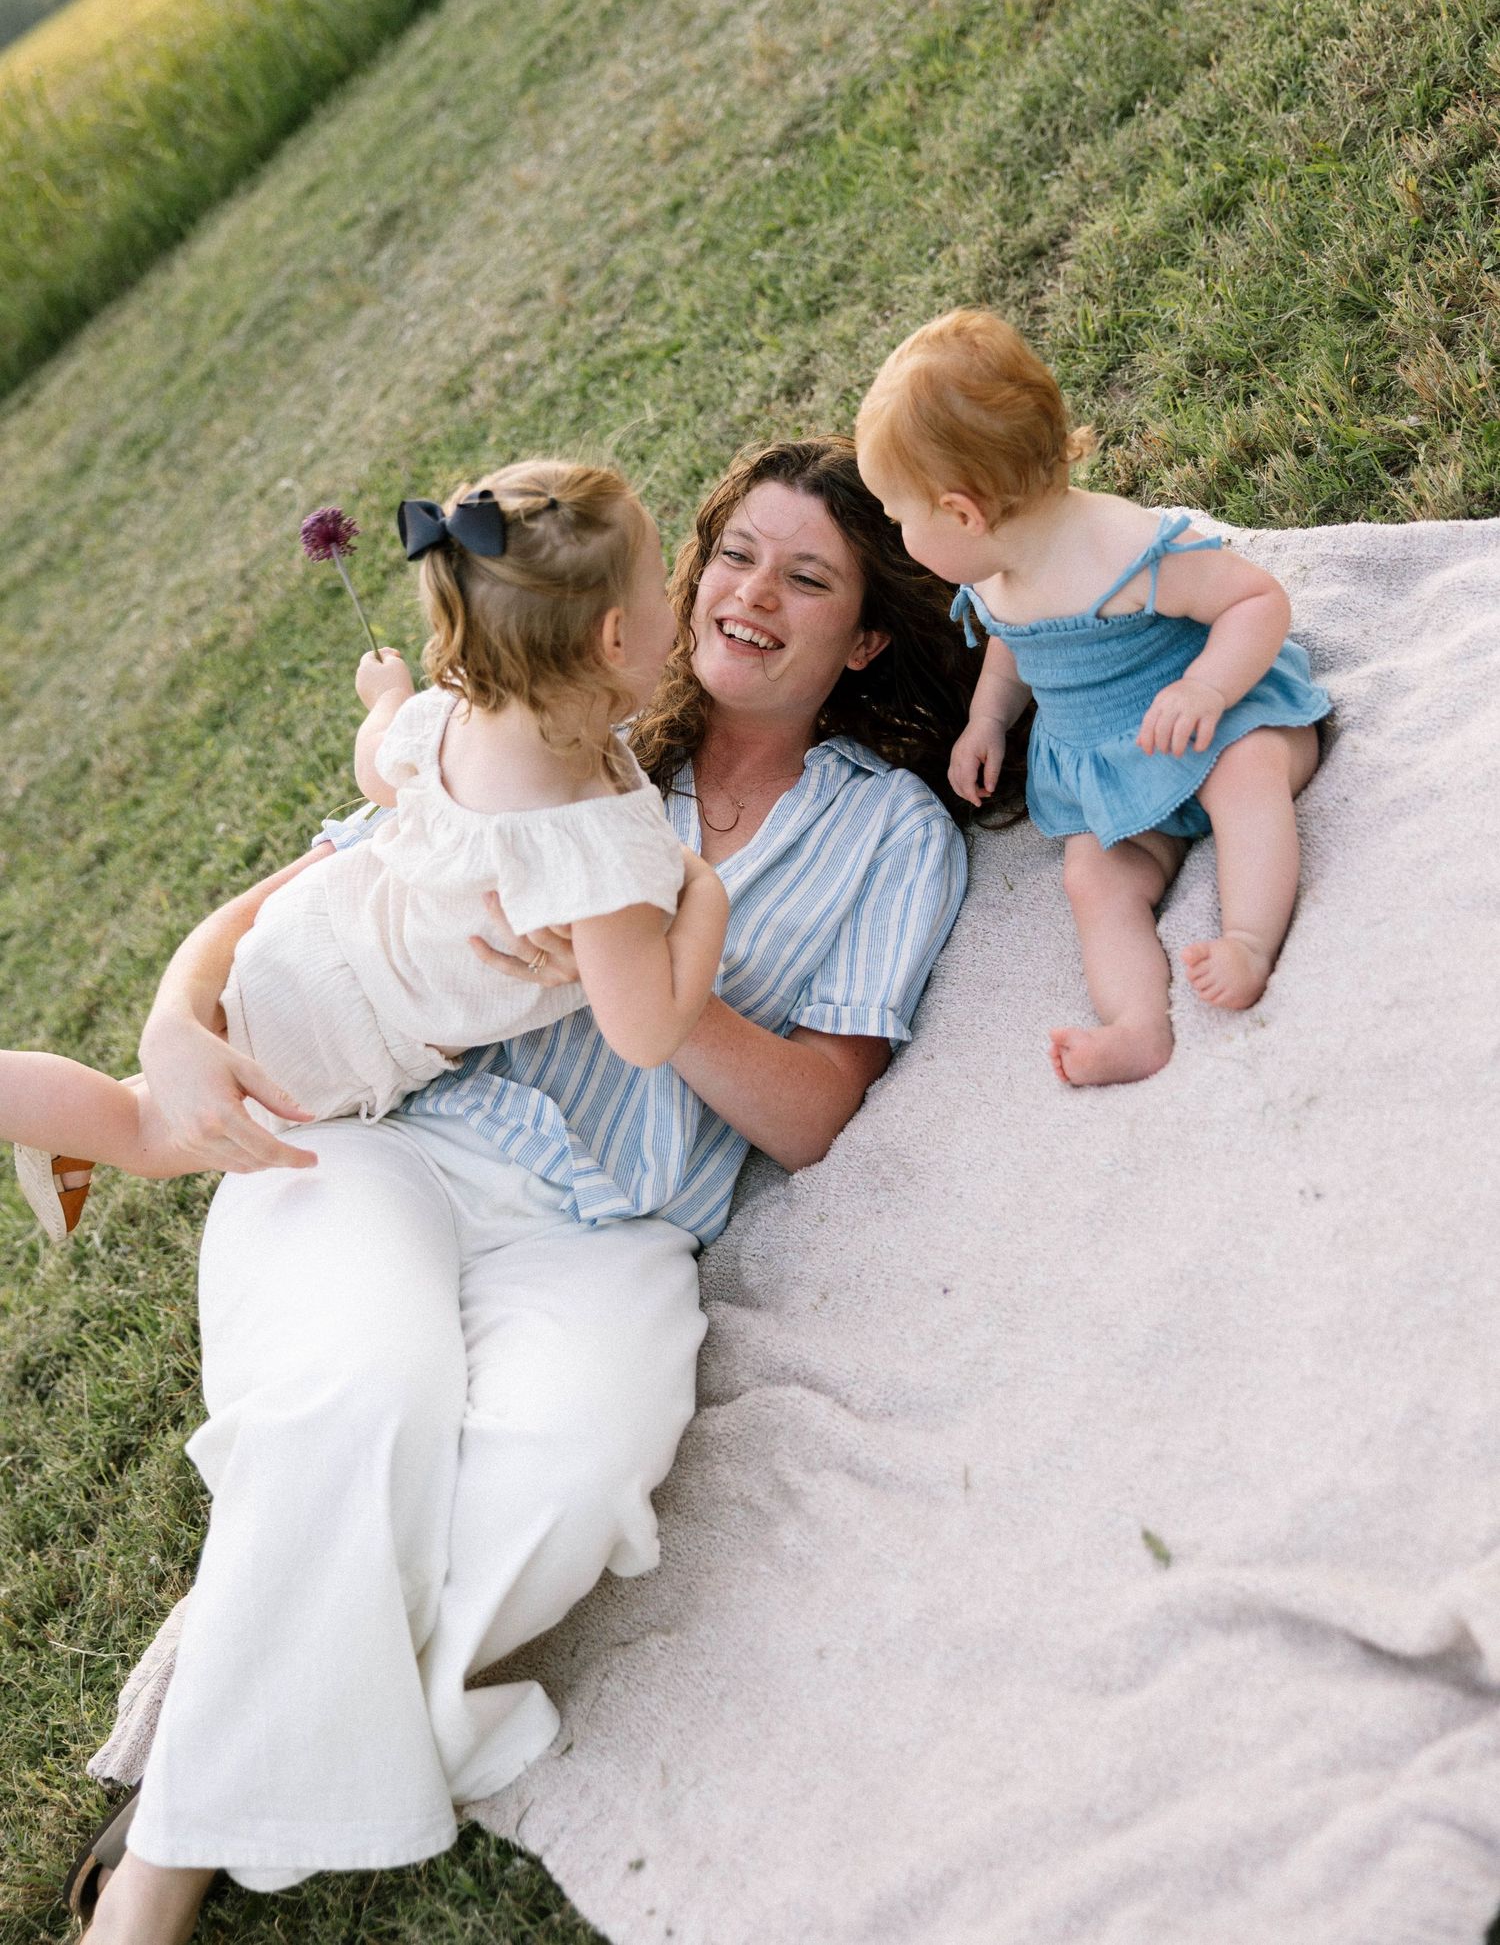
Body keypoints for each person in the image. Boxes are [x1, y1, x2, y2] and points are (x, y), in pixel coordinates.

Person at [69, 435, 973, 1945]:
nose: (753, 593)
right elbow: (308, 893)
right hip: (398, 1139)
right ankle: (156, 1882)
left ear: (865, 632)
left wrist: (659, 988)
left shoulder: (891, 833)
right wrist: (175, 1020)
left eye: (806, 577)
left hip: (612, 1223)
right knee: (360, 1404)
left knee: (559, 1477)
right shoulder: (561, 726)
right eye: (735, 552)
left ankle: (226, 1711)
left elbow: (816, 1112)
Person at [6, 461, 728, 1244]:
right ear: (615, 636)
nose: (675, 602)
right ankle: (53, 1114)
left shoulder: (446, 715)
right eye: (661, 587)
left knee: (161, 1082)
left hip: (310, 929)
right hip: (346, 1028)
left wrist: (382, 698)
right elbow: (646, 1032)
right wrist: (706, 895)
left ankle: (54, 1126)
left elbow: (375, 770)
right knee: (144, 1128)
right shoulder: (593, 852)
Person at [855, 309, 1331, 1090]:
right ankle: (1137, 1024)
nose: (899, 535)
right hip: (1115, 777)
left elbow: (1255, 601)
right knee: (1093, 877)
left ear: (961, 512)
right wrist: (987, 718)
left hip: (1221, 728)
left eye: (900, 517)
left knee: (1248, 781)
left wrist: (1208, 686)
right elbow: (1014, 642)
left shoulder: (1125, 549)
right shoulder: (995, 572)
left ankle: (1247, 937)